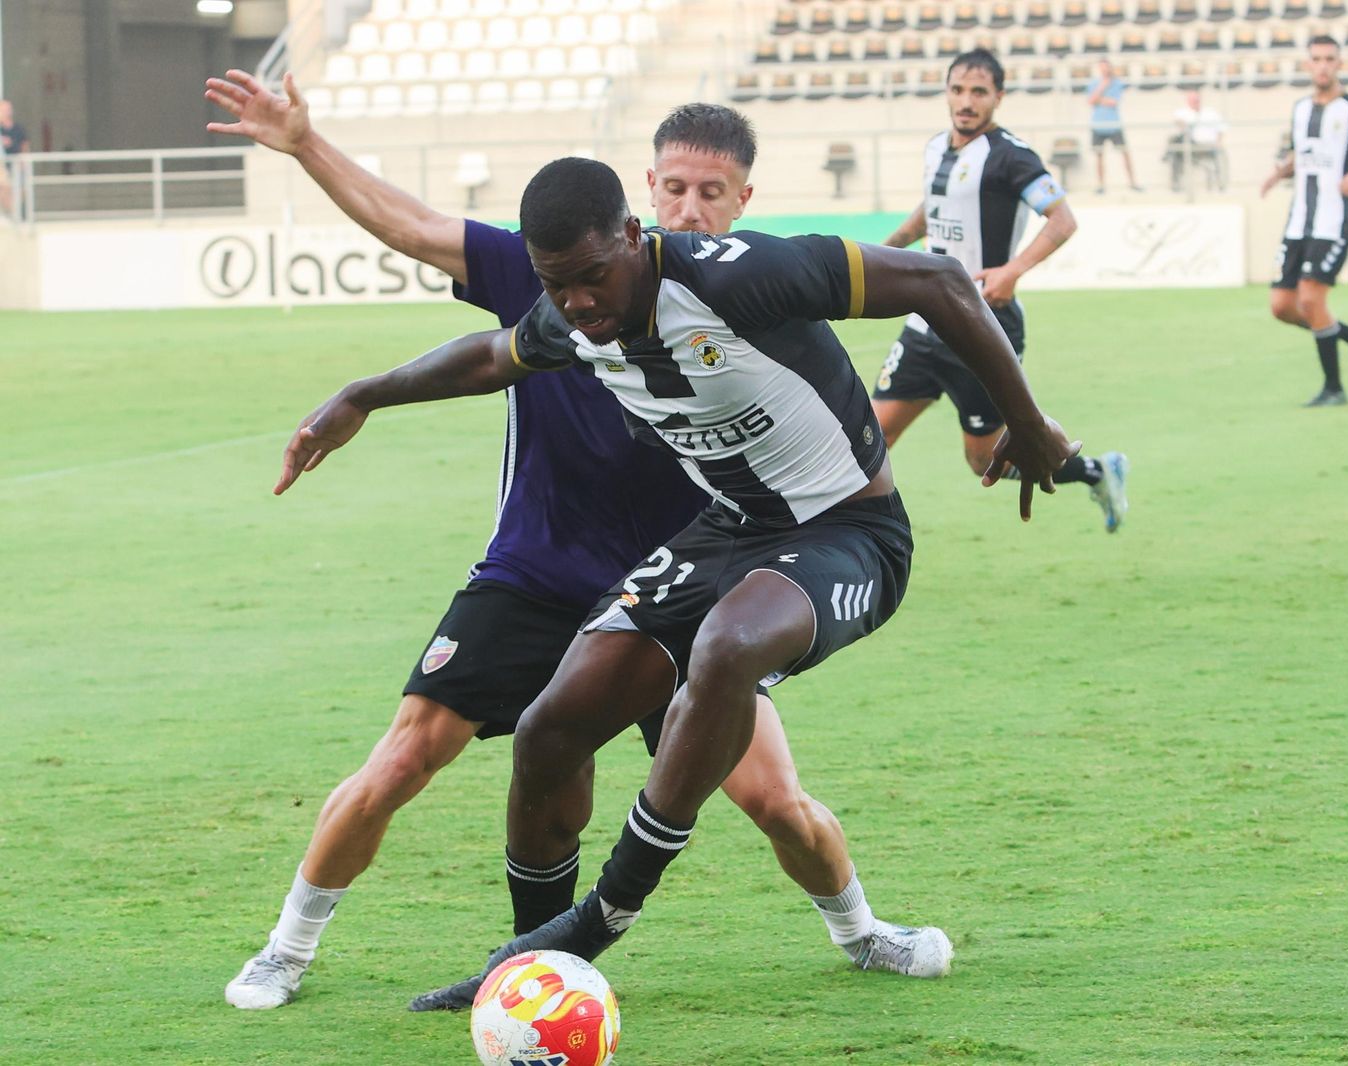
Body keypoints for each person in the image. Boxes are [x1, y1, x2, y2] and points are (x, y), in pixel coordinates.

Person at [205, 73, 951, 1011]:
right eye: (673, 187)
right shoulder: (549, 276)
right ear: (644, 192)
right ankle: (315, 948)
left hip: (721, 563)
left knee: (774, 798)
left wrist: (1011, 423)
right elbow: (426, 249)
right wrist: (310, 161)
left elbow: (901, 316)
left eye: (709, 194)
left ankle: (853, 929)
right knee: (422, 756)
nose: (688, 206)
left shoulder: (730, 283)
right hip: (543, 573)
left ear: (735, 204)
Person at [878, 49, 1129, 532]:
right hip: (924, 321)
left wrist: (1013, 270)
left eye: (978, 92)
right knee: (872, 434)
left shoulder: (1011, 156)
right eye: (958, 90)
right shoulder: (937, 147)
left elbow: (1063, 218)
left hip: (980, 325)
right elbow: (931, 210)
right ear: (946, 92)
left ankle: (1099, 470)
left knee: (982, 459)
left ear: (998, 97)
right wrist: (881, 252)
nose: (966, 101)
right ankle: (845, 537)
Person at [1260, 35, 1348, 408]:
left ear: (1339, 64)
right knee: (1282, 307)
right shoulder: (1300, 109)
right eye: (1316, 58)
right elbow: (1301, 154)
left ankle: (1333, 388)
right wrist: (1278, 173)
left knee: (1311, 298)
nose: (1322, 65)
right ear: (1308, 64)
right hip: (1298, 221)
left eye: (1329, 59)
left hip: (1333, 222)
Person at [1087, 59, 1140, 194]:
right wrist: (1102, 87)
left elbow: (1113, 102)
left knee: (1125, 153)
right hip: (1098, 124)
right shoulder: (1094, 83)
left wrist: (1099, 99)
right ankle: (1100, 185)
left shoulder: (1117, 83)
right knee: (1099, 156)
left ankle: (1133, 183)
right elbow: (1090, 101)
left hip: (1114, 124)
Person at [1166, 90, 1226, 193]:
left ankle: (1167, 154)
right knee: (1176, 140)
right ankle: (1175, 185)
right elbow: (1177, 123)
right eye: (1192, 100)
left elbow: (1221, 129)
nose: (1195, 102)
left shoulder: (1210, 113)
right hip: (1189, 144)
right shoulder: (1183, 113)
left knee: (1175, 143)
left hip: (1208, 146)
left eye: (1196, 100)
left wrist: (1218, 143)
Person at [0, 99, 30, 219]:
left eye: (7, 110)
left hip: (17, 163)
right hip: (2, 164)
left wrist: (24, 159)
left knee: (21, 188)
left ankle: (15, 213)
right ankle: (13, 214)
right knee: (4, 187)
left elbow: (25, 144)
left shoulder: (18, 128)